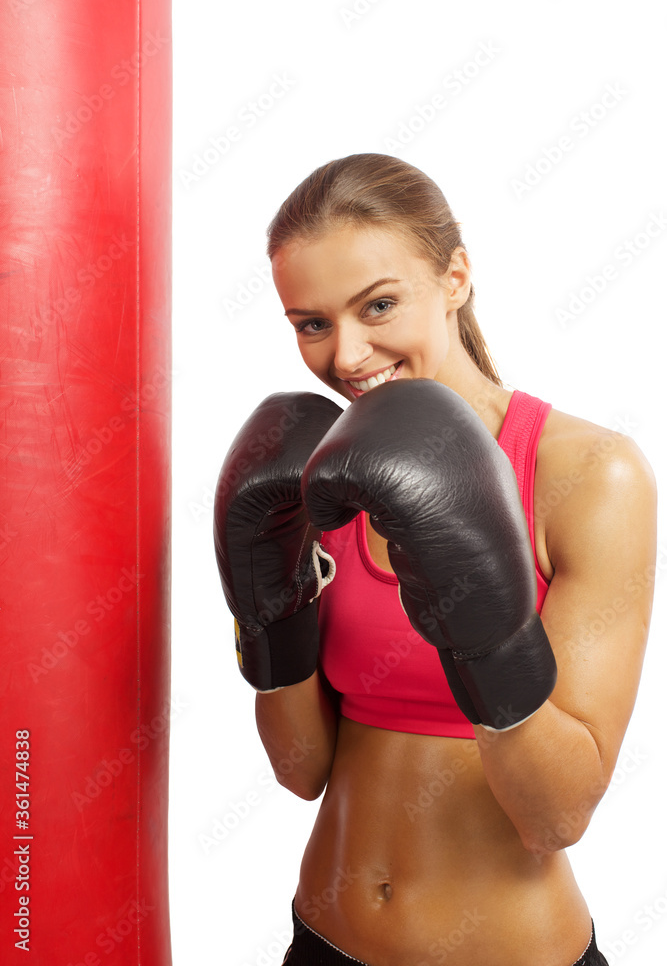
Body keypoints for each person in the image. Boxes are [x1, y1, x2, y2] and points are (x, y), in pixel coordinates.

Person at [216, 154, 657, 966]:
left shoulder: (589, 474)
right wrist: (266, 606)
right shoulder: (320, 478)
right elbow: (300, 770)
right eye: (311, 323)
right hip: (322, 943)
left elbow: (555, 817)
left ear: (454, 276)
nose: (346, 357)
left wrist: (483, 626)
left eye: (377, 305)